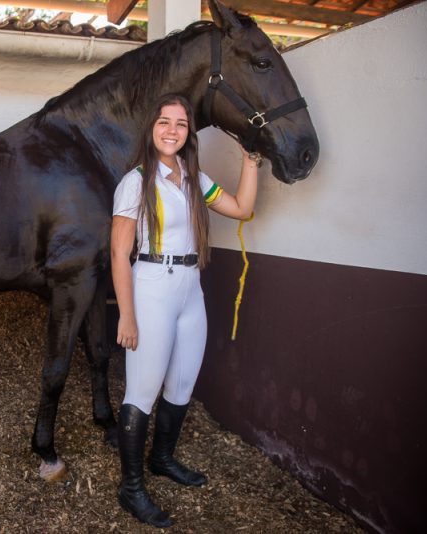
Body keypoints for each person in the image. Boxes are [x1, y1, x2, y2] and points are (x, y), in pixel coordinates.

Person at [111, 93, 259, 528]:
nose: (172, 130)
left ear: (188, 132)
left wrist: (251, 159)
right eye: (164, 122)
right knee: (143, 391)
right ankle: (131, 487)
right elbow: (120, 253)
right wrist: (127, 314)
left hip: (190, 288)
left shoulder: (195, 179)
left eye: (180, 123)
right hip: (151, 286)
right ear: (151, 129)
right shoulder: (136, 181)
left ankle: (161, 458)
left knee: (181, 383)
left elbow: (242, 208)